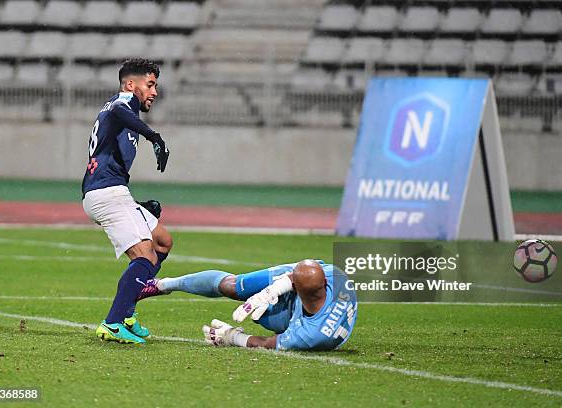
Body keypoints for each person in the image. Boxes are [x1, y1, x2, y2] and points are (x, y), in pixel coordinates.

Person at [82, 58, 172, 345]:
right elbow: (122, 110)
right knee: (145, 257)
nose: (154, 91)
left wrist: (139, 205)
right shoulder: (122, 103)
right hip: (107, 193)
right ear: (131, 84)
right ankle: (113, 322)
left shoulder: (121, 111)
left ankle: (129, 313)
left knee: (161, 242)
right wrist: (153, 136)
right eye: (150, 84)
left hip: (112, 190)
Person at [138, 260, 358, 351]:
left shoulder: (311, 334)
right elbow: (296, 276)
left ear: (297, 291)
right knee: (235, 287)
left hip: (298, 320)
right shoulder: (332, 275)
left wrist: (232, 337)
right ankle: (163, 284)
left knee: (257, 314)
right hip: (304, 293)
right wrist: (271, 291)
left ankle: (162, 283)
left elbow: (270, 342)